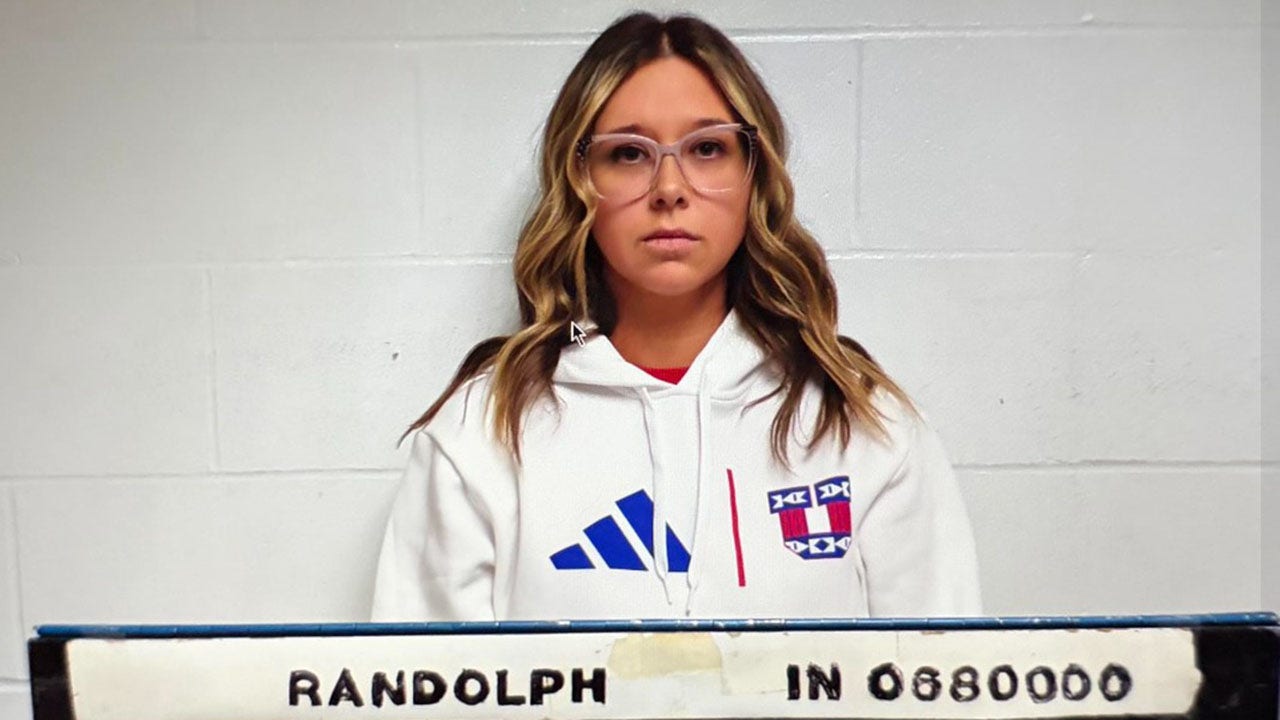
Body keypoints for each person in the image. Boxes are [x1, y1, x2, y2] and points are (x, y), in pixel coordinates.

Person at [372, 12, 981, 620]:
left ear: (754, 174)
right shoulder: (481, 432)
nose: (669, 188)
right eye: (629, 153)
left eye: (707, 148)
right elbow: (424, 677)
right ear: (579, 180)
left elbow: (940, 670)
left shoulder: (865, 425)